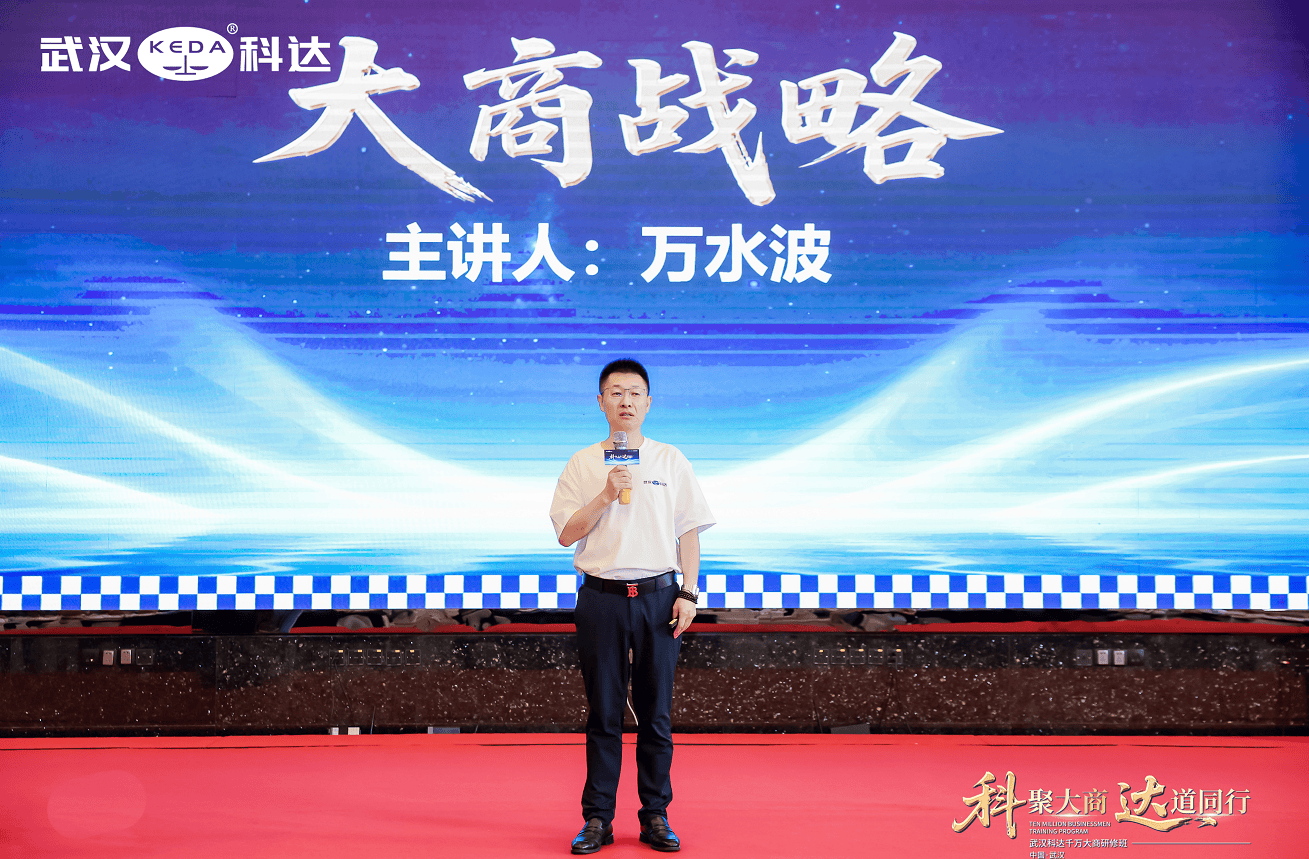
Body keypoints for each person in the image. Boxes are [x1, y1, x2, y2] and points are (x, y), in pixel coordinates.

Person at [549, 358, 715, 854]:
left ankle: (655, 815)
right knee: (603, 713)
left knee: (655, 714)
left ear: (648, 402)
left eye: (635, 393)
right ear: (600, 402)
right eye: (616, 392)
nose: (626, 401)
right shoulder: (582, 463)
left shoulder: (670, 460)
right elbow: (566, 534)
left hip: (660, 599)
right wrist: (606, 493)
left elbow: (689, 531)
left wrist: (689, 592)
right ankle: (597, 819)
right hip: (601, 599)